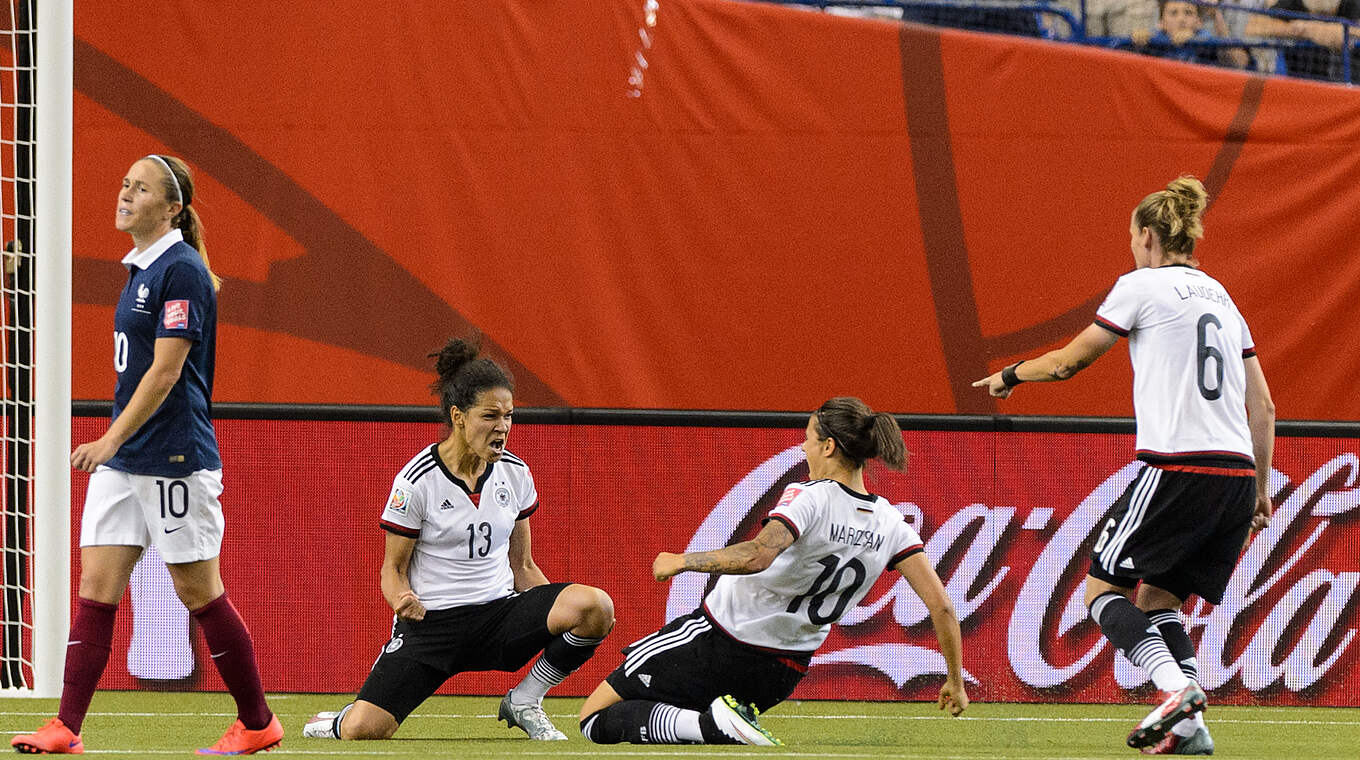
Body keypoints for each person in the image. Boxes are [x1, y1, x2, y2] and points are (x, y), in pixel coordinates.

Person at [973, 175, 1275, 755]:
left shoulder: (1141, 287)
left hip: (1176, 467)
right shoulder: (1222, 298)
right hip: (1235, 477)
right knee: (1158, 603)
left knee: (1100, 590)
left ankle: (1173, 691)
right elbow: (1262, 403)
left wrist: (1010, 376)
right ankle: (1191, 727)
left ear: (1145, 235)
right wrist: (1260, 490)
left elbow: (1068, 363)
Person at [11, 155, 283, 755]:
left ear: (173, 207)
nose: (125, 192)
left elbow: (165, 373)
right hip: (127, 461)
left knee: (199, 592)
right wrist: (116, 449)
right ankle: (66, 728)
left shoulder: (180, 270)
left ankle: (259, 721)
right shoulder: (139, 269)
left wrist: (109, 440)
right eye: (124, 182)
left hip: (173, 458)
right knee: (97, 588)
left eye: (140, 187)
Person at [578, 397, 969, 746]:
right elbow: (943, 608)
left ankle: (713, 728)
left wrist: (682, 561)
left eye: (809, 439)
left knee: (593, 719)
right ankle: (715, 726)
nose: (803, 447)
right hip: (782, 673)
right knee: (669, 716)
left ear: (829, 446)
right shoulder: (892, 523)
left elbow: (757, 556)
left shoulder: (810, 496)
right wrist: (955, 679)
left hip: (721, 642)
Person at [303, 336, 615, 742]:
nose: (502, 427)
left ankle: (524, 700)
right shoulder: (416, 482)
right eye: (490, 416)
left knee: (595, 605)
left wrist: (565, 618)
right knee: (366, 731)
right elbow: (392, 569)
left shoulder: (516, 473)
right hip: (434, 628)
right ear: (459, 417)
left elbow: (522, 566)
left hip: (499, 617)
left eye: (509, 415)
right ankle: (335, 721)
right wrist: (401, 600)